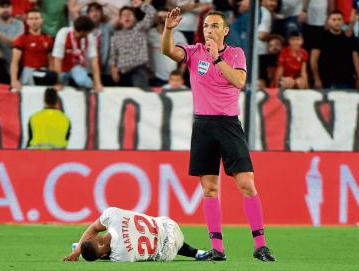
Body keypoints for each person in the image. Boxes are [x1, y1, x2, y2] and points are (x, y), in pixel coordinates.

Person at [161, 8, 275, 262]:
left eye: (214, 26)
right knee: (210, 189)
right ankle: (218, 249)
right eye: (206, 26)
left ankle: (260, 245)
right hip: (203, 126)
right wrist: (168, 29)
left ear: (225, 30)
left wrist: (217, 59)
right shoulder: (193, 52)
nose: (209, 30)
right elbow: (168, 51)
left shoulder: (235, 54)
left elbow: (239, 82)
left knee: (246, 184)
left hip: (228, 125)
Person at [62, 207, 206, 262]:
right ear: (96, 238)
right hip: (169, 225)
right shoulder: (112, 214)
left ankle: (197, 253)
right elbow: (93, 227)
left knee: (152, 244)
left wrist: (79, 250)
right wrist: (78, 249)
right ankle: (197, 253)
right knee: (154, 232)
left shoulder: (121, 255)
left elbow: (105, 252)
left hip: (168, 253)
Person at [310, 10, 359, 90]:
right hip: (327, 82)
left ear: (343, 21)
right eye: (334, 19)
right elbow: (313, 60)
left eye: (339, 19)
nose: (337, 22)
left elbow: (356, 59)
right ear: (328, 21)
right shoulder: (321, 37)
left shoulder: (349, 37)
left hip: (347, 82)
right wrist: (317, 79)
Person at [109, 2, 156, 88]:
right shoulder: (115, 36)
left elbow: (152, 14)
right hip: (122, 72)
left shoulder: (140, 28)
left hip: (138, 69)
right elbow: (113, 56)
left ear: (135, 18)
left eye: (130, 14)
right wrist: (113, 69)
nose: (127, 16)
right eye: (124, 15)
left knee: (141, 93)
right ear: (120, 20)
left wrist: (141, 4)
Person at [52, 15, 103, 91]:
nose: (90, 34)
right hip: (62, 67)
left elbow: (94, 61)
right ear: (83, 32)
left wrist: (97, 83)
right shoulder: (63, 34)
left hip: (76, 66)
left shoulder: (90, 37)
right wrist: (57, 82)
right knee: (58, 85)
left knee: (83, 81)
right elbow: (57, 60)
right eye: (89, 32)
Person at [10, 8, 56, 91]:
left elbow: (51, 61)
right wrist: (14, 80)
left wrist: (54, 81)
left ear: (42, 20)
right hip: (28, 72)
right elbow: (14, 62)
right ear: (27, 21)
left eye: (36, 18)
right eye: (31, 19)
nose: (34, 21)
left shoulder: (48, 39)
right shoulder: (21, 39)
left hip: (43, 72)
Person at [148, 8, 187, 87]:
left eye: (166, 17)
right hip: (154, 76)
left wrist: (180, 73)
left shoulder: (178, 35)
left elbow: (187, 55)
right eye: (161, 17)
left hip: (173, 78)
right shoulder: (150, 34)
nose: (164, 20)